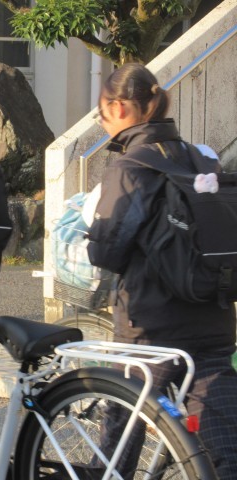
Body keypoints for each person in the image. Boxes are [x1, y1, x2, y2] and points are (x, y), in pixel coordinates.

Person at [87, 63, 237, 477]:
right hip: (213, 318)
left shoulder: (130, 167)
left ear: (119, 107)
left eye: (101, 112)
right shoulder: (201, 157)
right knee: (225, 442)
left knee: (119, 441)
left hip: (150, 329)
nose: (102, 121)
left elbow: (106, 251)